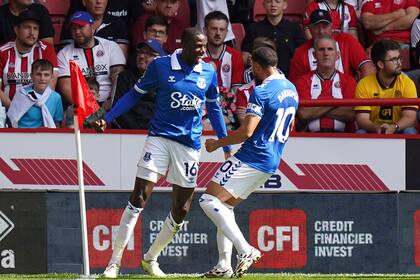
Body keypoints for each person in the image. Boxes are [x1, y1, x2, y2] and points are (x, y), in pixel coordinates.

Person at [92, 27, 232, 278]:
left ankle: (150, 258)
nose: (203, 50)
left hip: (189, 145)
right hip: (158, 139)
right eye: (199, 46)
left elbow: (214, 109)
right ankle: (114, 263)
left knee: (182, 208)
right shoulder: (161, 66)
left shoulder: (208, 71)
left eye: (204, 46)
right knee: (139, 197)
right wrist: (108, 117)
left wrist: (225, 145)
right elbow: (134, 95)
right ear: (185, 45)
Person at [199, 46, 298, 278]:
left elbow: (247, 131)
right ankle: (224, 265)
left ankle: (245, 250)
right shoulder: (291, 88)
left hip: (252, 155)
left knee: (208, 200)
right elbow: (291, 126)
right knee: (225, 206)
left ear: (256, 66)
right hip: (272, 158)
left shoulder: (261, 91)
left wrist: (218, 144)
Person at [57, 11, 126, 109]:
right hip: (79, 106)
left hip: (109, 104)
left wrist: (113, 102)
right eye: (73, 28)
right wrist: (87, 107)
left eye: (81, 27)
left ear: (93, 28)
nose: (77, 32)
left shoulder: (111, 47)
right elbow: (66, 87)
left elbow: (118, 78)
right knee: (70, 118)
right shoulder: (64, 54)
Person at [289, 9, 375, 84]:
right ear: (310, 29)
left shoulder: (347, 40)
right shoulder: (301, 52)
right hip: (313, 99)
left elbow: (367, 67)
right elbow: (295, 84)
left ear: (331, 27)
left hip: (346, 96)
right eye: (316, 27)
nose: (321, 31)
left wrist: (359, 92)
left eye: (325, 26)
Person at [295, 34, 356, 132]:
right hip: (310, 139)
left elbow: (351, 114)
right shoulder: (303, 81)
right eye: (321, 49)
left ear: (337, 55)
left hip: (344, 138)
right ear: (314, 55)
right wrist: (335, 102)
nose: (326, 53)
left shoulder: (349, 81)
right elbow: (304, 113)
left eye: (330, 49)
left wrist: (316, 107)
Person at [355, 39, 418, 134]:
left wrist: (394, 127)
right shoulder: (364, 84)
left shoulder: (407, 83)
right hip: (374, 130)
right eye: (393, 59)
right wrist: (376, 128)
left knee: (410, 131)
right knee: (361, 133)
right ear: (380, 64)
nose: (399, 63)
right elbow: (362, 119)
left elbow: (410, 117)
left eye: (399, 58)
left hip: (398, 129)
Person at [0, 10, 58, 109]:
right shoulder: (2, 52)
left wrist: (33, 111)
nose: (32, 33)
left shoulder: (46, 49)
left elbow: (51, 83)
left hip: (39, 109)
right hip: (7, 109)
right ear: (16, 30)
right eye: (27, 27)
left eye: (35, 28)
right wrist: (14, 110)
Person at [202, 10, 244, 131]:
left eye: (222, 29)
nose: (218, 33)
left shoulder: (235, 56)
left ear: (227, 32)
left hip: (228, 107)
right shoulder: (197, 55)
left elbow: (236, 91)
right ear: (205, 30)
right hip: (200, 104)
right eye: (214, 29)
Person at [241, 0, 305, 77]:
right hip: (260, 77)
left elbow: (301, 56)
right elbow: (245, 57)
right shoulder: (253, 28)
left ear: (284, 5)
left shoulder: (294, 28)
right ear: (264, 5)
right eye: (269, 1)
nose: (273, 4)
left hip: (289, 77)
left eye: (277, 1)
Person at [112, 39, 165, 129]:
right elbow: (119, 109)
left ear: (159, 59)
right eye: (140, 52)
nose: (141, 56)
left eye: (148, 54)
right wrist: (136, 129)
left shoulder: (165, 80)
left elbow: (166, 111)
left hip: (157, 132)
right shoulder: (125, 77)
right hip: (129, 133)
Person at [60, 0, 130, 58]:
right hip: (79, 71)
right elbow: (67, 57)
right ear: (84, 2)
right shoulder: (72, 24)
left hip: (109, 71)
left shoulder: (118, 24)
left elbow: (120, 59)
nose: (99, 1)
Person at [7, 59, 63, 128]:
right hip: (21, 135)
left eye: (46, 75)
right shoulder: (21, 94)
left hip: (47, 136)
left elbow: (57, 124)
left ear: (51, 77)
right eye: (38, 74)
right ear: (31, 76)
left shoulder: (56, 97)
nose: (42, 78)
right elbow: (11, 120)